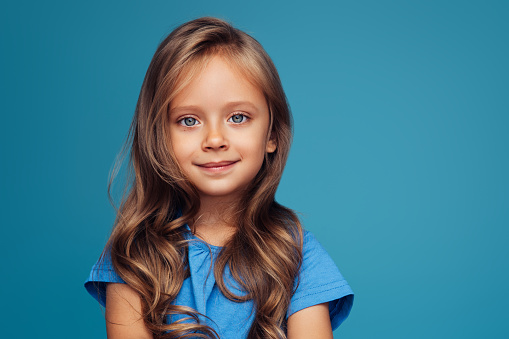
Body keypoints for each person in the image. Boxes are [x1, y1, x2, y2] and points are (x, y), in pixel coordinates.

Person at [85, 17, 353, 339]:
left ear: (272, 134)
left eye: (237, 117)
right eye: (188, 120)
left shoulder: (298, 258)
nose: (214, 139)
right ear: (159, 136)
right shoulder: (134, 256)